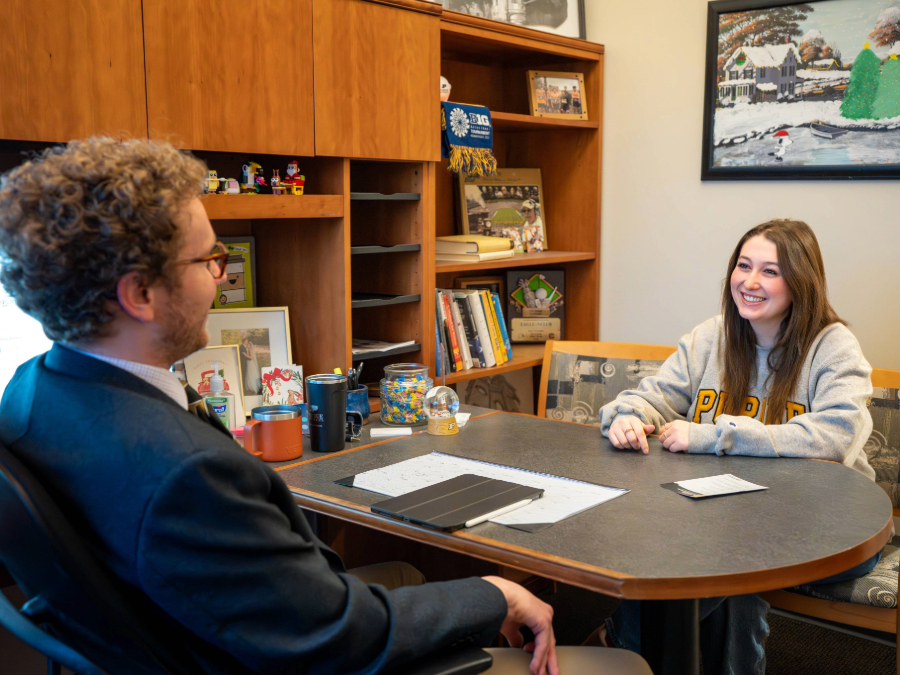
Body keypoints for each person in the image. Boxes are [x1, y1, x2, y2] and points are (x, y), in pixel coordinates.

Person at [0, 137, 570, 675]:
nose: (222, 279)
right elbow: (333, 638)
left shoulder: (32, 393)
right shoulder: (187, 475)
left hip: (225, 628)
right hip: (292, 647)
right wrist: (493, 594)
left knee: (407, 574)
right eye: (209, 260)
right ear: (140, 295)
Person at [595, 219, 879, 674]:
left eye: (770, 271)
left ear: (800, 283)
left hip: (830, 528)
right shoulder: (712, 336)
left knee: (725, 561)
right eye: (743, 266)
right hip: (730, 522)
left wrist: (714, 434)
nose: (750, 282)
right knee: (728, 571)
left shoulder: (834, 347)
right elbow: (652, 397)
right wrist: (627, 416)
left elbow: (835, 436)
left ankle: (622, 647)